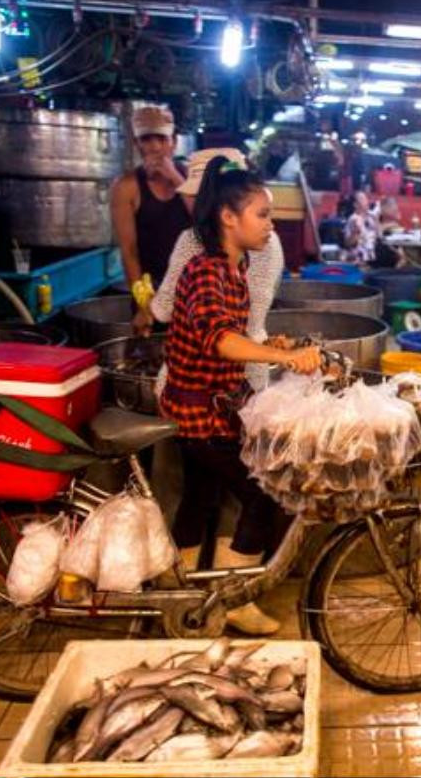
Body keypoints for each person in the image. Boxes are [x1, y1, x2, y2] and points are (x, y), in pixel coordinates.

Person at [159, 155, 321, 634]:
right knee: (262, 494)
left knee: (199, 499)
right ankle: (232, 600)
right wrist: (287, 360)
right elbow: (220, 340)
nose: (271, 225)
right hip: (200, 417)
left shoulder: (237, 265)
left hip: (210, 409)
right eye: (263, 214)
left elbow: (235, 331)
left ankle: (183, 594)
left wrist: (272, 345)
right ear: (228, 218)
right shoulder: (206, 271)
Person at [147, 149, 285, 397]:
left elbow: (163, 311)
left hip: (217, 387)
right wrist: (285, 354)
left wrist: (147, 304)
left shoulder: (195, 242)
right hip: (237, 381)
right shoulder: (266, 243)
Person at [110, 106, 191, 305]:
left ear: (174, 142)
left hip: (194, 287)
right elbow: (129, 250)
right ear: (137, 144)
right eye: (147, 139)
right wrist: (143, 303)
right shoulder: (126, 187)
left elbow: (208, 222)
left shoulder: (192, 177)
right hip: (151, 287)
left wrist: (175, 178)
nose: (155, 147)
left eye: (162, 139)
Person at [343, 191, 379, 263]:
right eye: (362, 199)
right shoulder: (353, 219)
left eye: (366, 198)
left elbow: (379, 236)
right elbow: (348, 243)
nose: (367, 201)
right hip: (360, 258)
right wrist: (356, 232)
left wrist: (377, 220)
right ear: (355, 204)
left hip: (374, 255)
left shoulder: (371, 216)